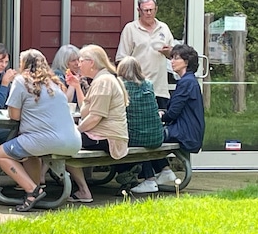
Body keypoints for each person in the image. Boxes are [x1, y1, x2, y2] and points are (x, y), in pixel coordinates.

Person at [0, 49, 81, 212]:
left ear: (24, 64)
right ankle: (34, 189)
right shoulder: (54, 82)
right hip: (73, 140)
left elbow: (14, 115)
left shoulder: (21, 81)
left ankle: (33, 190)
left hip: (45, 139)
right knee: (29, 153)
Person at [131, 44, 205, 193]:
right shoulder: (188, 81)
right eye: (171, 57)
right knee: (150, 134)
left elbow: (172, 113)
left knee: (145, 136)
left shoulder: (186, 83)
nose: (172, 61)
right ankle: (164, 170)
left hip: (184, 132)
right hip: (185, 130)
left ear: (187, 61)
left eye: (176, 58)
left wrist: (159, 115)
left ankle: (149, 179)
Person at [65, 44, 129, 203]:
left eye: (81, 61)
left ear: (91, 62)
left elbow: (95, 118)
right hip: (104, 135)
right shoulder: (101, 79)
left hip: (109, 138)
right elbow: (85, 110)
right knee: (65, 141)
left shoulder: (104, 81)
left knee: (64, 144)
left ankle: (83, 191)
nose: (78, 64)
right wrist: (77, 86)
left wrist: (75, 131)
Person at [113, 56, 164, 191]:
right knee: (142, 133)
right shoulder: (149, 84)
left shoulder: (120, 87)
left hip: (135, 138)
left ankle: (126, 174)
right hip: (156, 136)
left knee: (116, 140)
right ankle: (146, 174)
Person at [116, 0, 175, 110]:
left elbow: (174, 55)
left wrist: (168, 52)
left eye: (151, 10)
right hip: (137, 88)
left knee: (160, 123)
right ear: (139, 10)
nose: (148, 13)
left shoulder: (164, 28)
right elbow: (121, 59)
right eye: (145, 10)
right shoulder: (130, 29)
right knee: (139, 123)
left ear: (156, 9)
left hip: (159, 88)